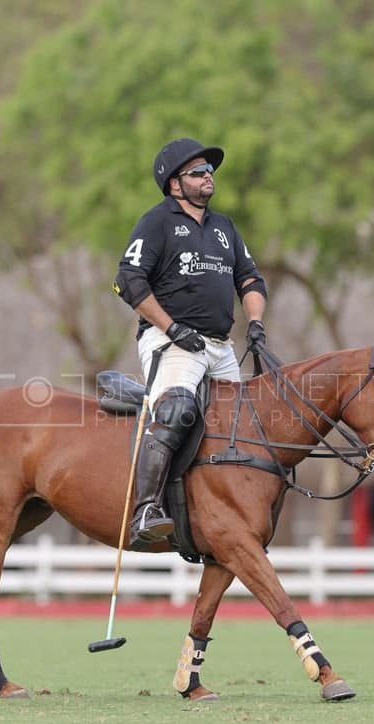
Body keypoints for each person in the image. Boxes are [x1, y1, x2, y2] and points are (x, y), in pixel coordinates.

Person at [112, 137, 268, 550]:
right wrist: (172, 326)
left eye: (209, 171)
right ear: (175, 183)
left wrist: (254, 322)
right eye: (198, 172)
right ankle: (146, 508)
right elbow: (128, 281)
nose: (207, 178)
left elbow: (250, 279)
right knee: (178, 410)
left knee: (246, 424)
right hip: (171, 341)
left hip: (220, 346)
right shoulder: (157, 221)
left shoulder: (224, 228)